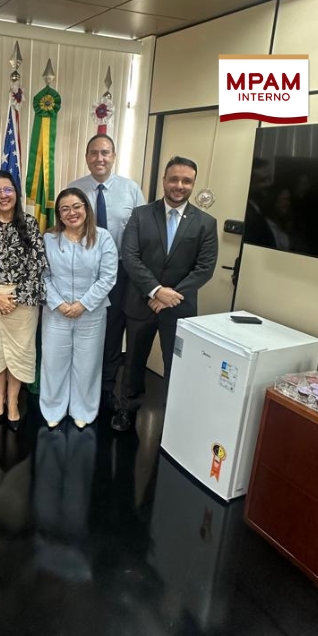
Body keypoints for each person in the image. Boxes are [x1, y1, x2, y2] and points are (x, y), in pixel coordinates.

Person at [113, 156, 219, 432]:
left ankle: (175, 420)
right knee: (134, 361)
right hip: (141, 302)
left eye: (186, 181)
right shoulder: (140, 215)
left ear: (193, 184)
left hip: (179, 308)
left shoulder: (206, 223)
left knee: (178, 365)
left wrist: (171, 296)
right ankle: (127, 410)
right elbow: (131, 257)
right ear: (164, 180)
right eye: (174, 179)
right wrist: (156, 290)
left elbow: (204, 268)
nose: (179, 185)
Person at [68, 134, 146, 409]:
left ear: (113, 156)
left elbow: (142, 233)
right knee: (83, 330)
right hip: (83, 273)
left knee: (112, 331)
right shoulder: (75, 189)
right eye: (94, 153)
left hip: (121, 273)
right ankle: (79, 386)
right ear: (87, 157)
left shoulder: (131, 190)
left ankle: (105, 389)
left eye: (105, 152)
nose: (99, 158)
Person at [0, 170, 46, 431]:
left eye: (8, 189)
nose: (3, 195)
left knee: (19, 354)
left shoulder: (30, 223)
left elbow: (38, 263)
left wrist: (15, 297)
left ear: (16, 193)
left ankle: (13, 402)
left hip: (22, 302)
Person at [41, 188, 117, 429]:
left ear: (86, 208)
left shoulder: (103, 237)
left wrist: (83, 304)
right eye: (65, 209)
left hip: (91, 313)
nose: (71, 213)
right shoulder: (49, 239)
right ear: (59, 214)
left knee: (87, 364)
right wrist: (60, 304)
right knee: (53, 363)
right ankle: (53, 408)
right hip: (57, 312)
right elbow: (42, 275)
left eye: (76, 206)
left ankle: (83, 410)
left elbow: (108, 277)